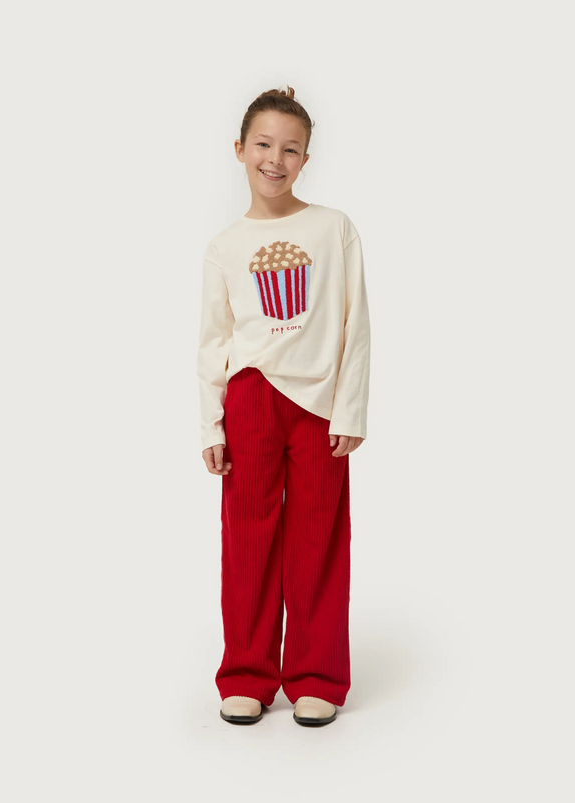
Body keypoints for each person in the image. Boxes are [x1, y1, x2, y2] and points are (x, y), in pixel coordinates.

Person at [197, 85, 371, 727]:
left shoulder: (333, 228)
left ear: (306, 158)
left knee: (320, 537)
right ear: (240, 149)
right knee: (247, 539)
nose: (276, 159)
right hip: (251, 397)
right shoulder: (225, 245)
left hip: (318, 400)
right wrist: (212, 423)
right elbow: (214, 341)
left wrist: (350, 410)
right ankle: (247, 673)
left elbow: (355, 324)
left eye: (290, 149)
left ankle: (316, 675)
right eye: (264, 145)